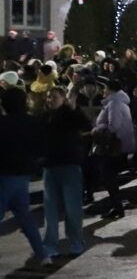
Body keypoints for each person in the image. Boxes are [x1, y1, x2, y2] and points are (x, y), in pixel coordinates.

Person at [0, 84, 49, 265]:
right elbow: (41, 147)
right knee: (24, 216)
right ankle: (42, 253)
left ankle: (42, 253)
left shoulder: (3, 124)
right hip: (23, 173)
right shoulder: (32, 122)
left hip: (4, 174)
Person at [41, 86, 92, 257]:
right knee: (50, 209)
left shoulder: (70, 113)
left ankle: (76, 241)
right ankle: (50, 244)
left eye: (54, 96)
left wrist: (73, 107)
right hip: (50, 166)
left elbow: (86, 125)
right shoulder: (44, 116)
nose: (50, 99)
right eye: (49, 97)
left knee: (73, 207)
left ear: (63, 98)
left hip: (70, 165)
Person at [92, 77, 135, 219]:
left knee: (108, 177)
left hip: (111, 146)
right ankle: (117, 206)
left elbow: (113, 126)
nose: (103, 91)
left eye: (104, 88)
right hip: (116, 145)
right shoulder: (118, 101)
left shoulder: (114, 103)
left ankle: (117, 207)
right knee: (109, 177)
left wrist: (98, 129)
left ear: (110, 89)